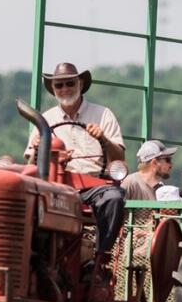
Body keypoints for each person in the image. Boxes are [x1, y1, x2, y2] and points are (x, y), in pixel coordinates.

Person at [25, 62, 126, 258]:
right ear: (53, 90)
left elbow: (120, 158)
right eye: (59, 85)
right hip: (57, 187)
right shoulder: (45, 120)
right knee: (26, 200)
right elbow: (30, 167)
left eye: (69, 83)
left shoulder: (102, 114)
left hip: (94, 185)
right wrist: (39, 150)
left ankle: (102, 256)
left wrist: (103, 139)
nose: (65, 89)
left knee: (114, 198)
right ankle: (34, 257)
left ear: (80, 83)